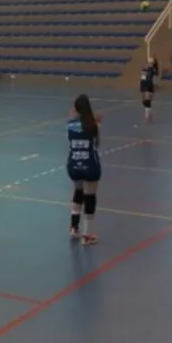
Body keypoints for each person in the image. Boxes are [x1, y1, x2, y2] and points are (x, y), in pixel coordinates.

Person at [66, 94, 101, 245]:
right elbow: (96, 144)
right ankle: (87, 235)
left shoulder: (70, 124)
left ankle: (74, 228)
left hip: (73, 164)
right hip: (90, 164)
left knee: (78, 191)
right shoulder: (94, 126)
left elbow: (74, 128)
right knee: (90, 196)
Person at [139, 56, 160, 123]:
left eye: (151, 60)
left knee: (147, 101)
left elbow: (153, 76)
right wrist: (145, 69)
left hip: (149, 85)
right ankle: (149, 114)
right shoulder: (145, 68)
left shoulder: (153, 69)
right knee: (144, 102)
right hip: (143, 84)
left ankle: (147, 117)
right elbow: (143, 77)